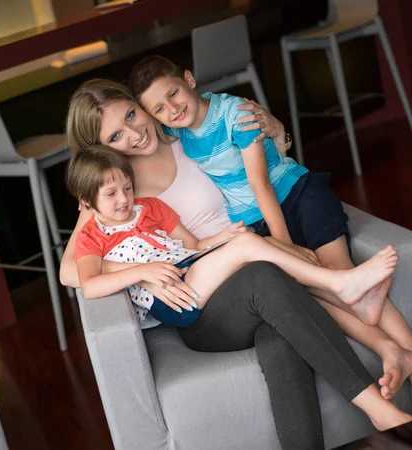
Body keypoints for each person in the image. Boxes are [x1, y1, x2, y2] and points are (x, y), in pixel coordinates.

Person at [60, 78, 412, 448]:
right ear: (101, 149)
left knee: (280, 337)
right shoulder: (115, 186)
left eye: (131, 114)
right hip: (207, 305)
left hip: (244, 257)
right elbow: (72, 272)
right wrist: (141, 273)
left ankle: (384, 361)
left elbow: (264, 172)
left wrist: (277, 132)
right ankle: (377, 402)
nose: (134, 133)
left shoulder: (188, 134)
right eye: (116, 137)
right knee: (264, 275)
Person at [129, 55, 412, 399]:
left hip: (296, 195)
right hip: (255, 220)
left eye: (172, 94)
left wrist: (285, 246)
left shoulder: (236, 114)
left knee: (337, 269)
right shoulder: (175, 130)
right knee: (309, 289)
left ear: (189, 78)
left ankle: (407, 347)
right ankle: (390, 346)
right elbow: (126, 149)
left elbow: (262, 185)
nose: (171, 109)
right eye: (158, 109)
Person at [67, 144, 398, 329]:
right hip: (175, 299)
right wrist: (142, 272)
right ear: (85, 201)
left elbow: (194, 246)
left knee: (259, 245)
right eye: (111, 194)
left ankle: (350, 299)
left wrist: (222, 237)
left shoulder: (150, 207)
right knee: (251, 247)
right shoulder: (92, 236)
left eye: (127, 187)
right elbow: (91, 284)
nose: (124, 199)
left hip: (190, 269)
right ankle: (340, 284)